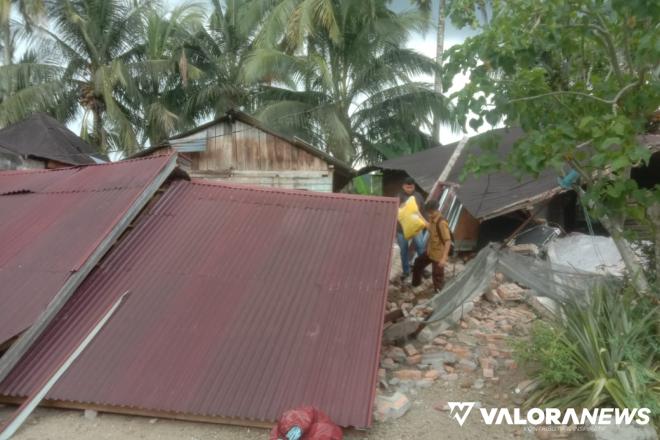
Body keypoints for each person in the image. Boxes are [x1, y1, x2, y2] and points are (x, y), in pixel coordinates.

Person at [412, 199, 451, 292]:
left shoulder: (442, 223)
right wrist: (419, 214)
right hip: (430, 251)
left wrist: (444, 258)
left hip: (438, 254)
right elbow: (429, 226)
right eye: (428, 213)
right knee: (418, 262)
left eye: (430, 212)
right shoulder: (432, 219)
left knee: (437, 275)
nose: (429, 215)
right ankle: (415, 284)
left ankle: (438, 293)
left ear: (436, 210)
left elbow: (448, 241)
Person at [397, 177, 427, 281]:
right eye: (407, 187)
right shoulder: (399, 196)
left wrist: (425, 224)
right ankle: (406, 271)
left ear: (414, 186)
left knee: (421, 248)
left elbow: (423, 211)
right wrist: (400, 206)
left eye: (411, 187)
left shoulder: (418, 196)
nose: (409, 189)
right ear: (403, 186)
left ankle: (422, 269)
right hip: (401, 229)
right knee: (403, 250)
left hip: (416, 229)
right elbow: (395, 212)